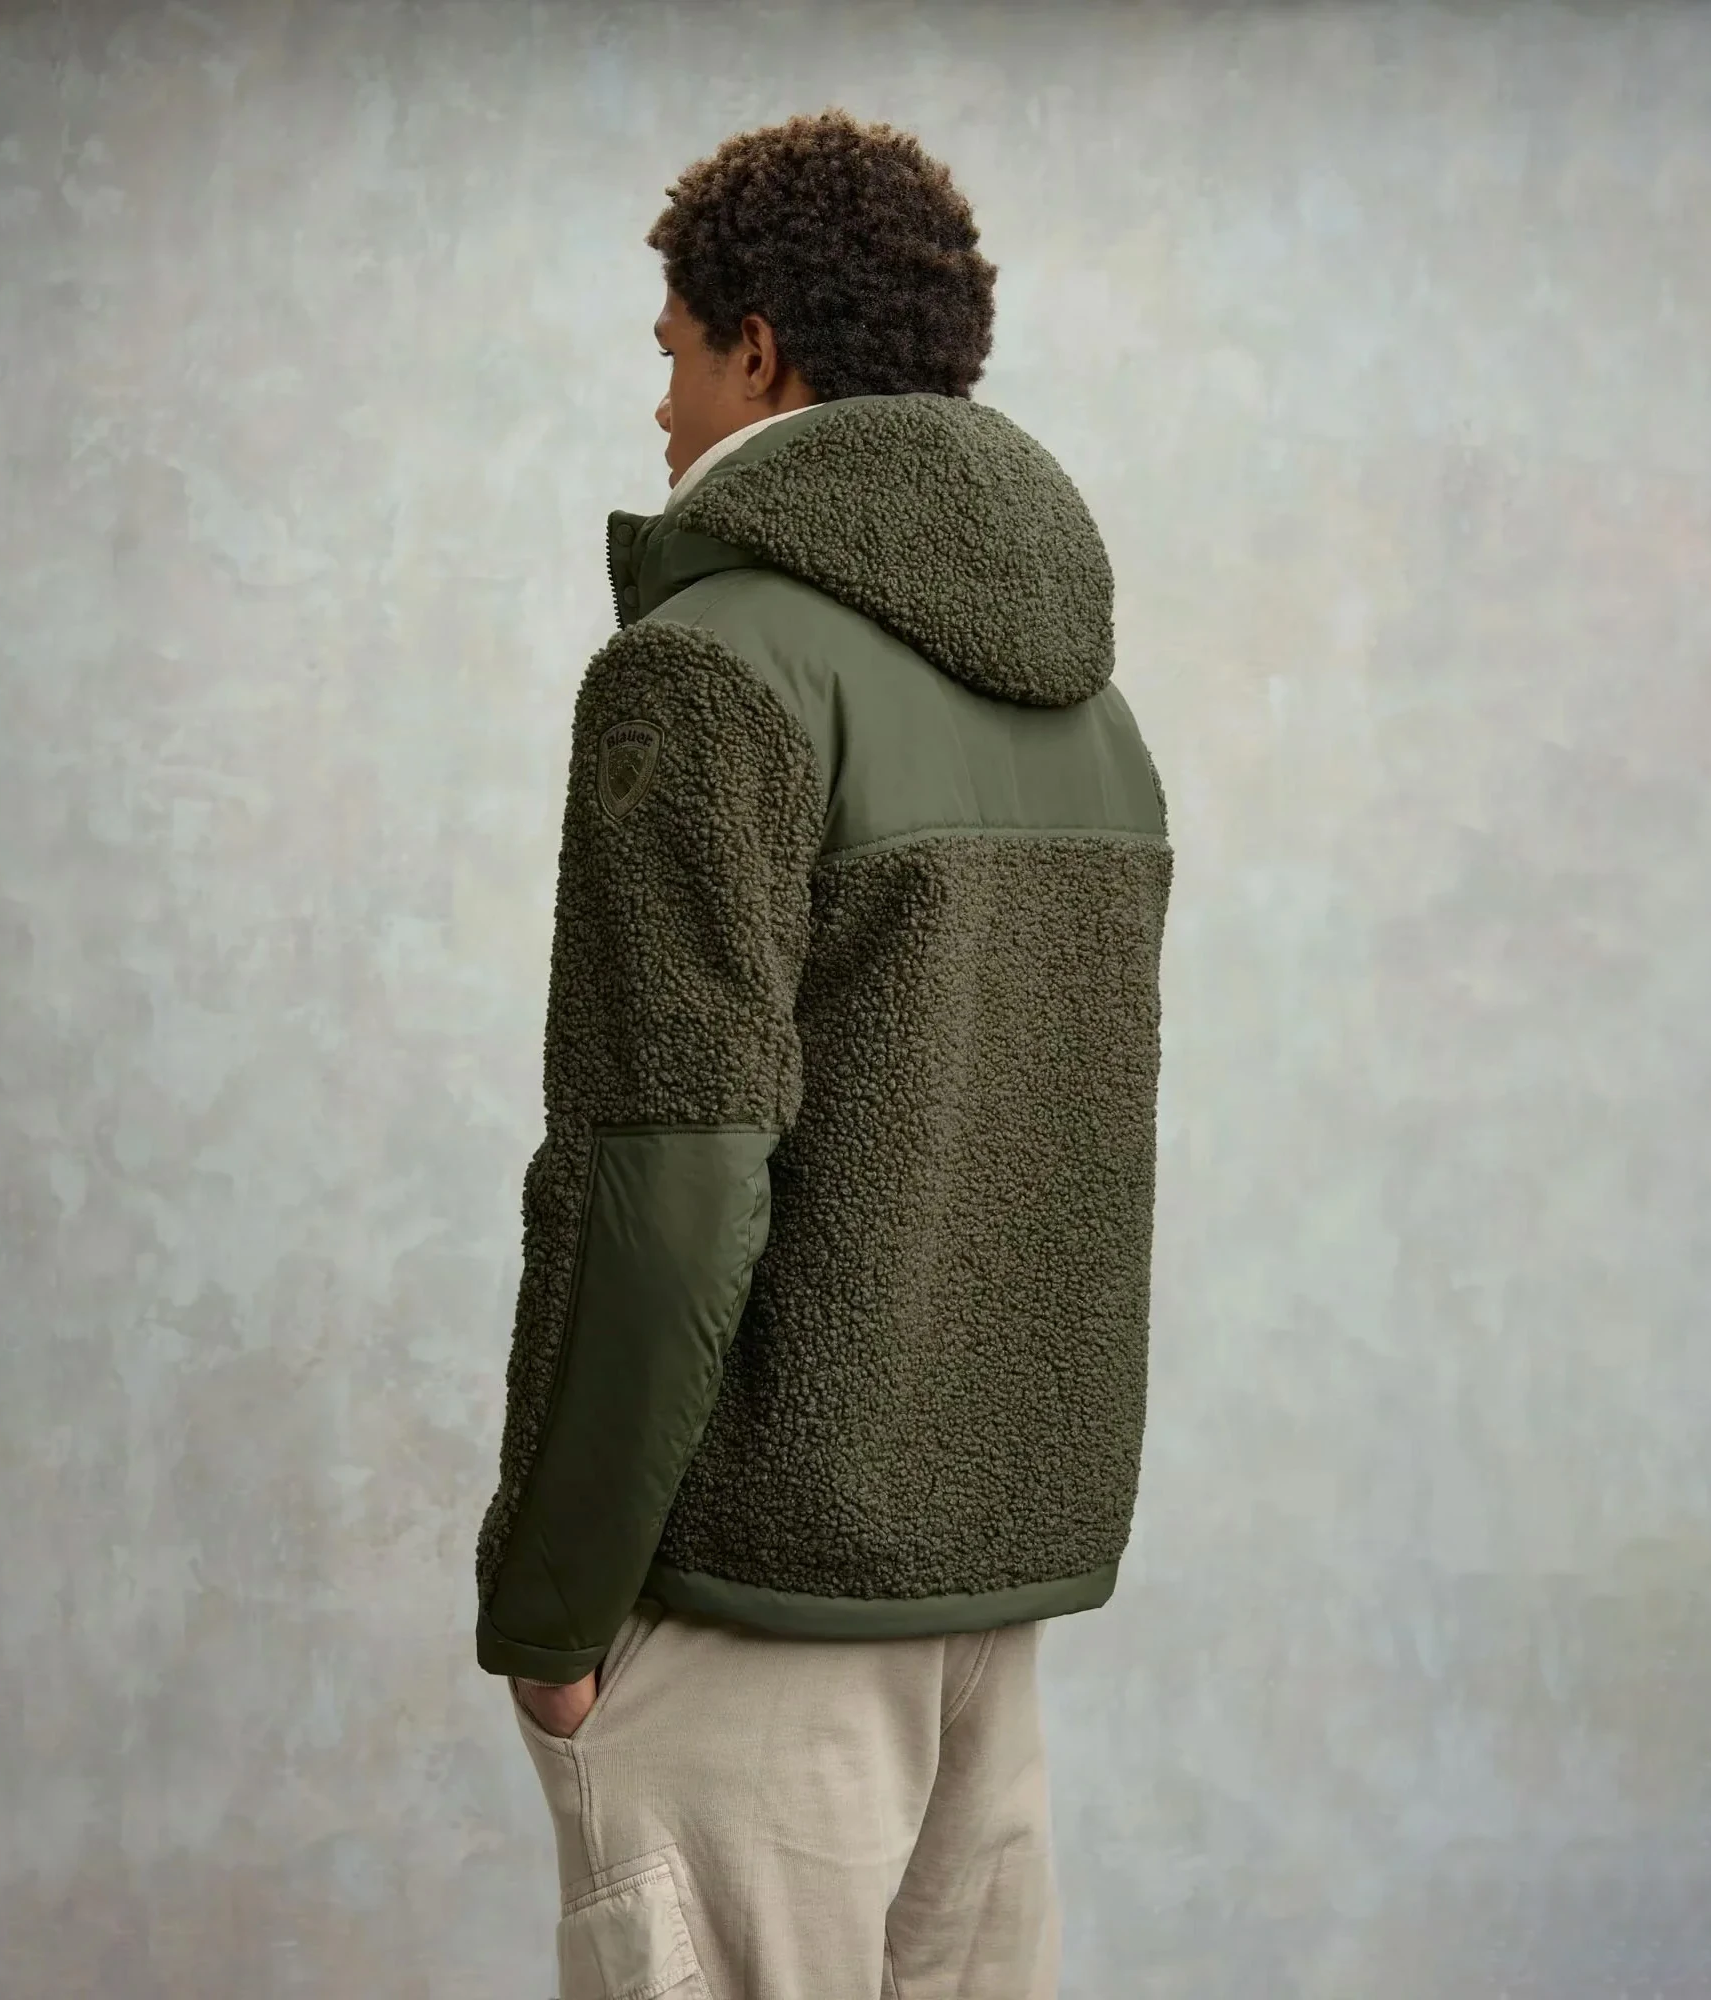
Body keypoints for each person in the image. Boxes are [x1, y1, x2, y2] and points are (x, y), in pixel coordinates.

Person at [474, 106, 1172, 2000]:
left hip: (751, 1602)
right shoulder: (1091, 710)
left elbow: (666, 1169)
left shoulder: (707, 667)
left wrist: (555, 1600)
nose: (662, 411)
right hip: (988, 1594)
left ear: (760, 349)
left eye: (675, 355)